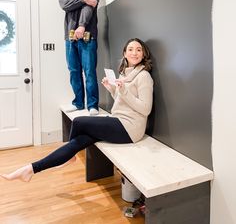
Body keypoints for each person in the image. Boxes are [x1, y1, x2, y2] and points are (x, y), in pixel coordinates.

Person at [0, 38, 154, 182]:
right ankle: (31, 169)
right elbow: (124, 103)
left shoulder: (144, 76)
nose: (134, 53)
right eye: (131, 49)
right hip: (117, 121)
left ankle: (69, 156)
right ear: (125, 53)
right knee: (80, 141)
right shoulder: (124, 73)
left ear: (143, 54)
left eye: (139, 50)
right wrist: (112, 89)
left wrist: (124, 91)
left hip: (130, 128)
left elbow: (145, 109)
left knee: (79, 122)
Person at [59, 0, 100, 115]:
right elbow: (65, 5)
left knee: (89, 71)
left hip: (88, 37)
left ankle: (92, 105)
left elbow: (89, 8)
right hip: (70, 38)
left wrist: (82, 25)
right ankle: (78, 103)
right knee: (74, 71)